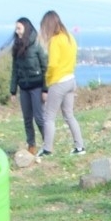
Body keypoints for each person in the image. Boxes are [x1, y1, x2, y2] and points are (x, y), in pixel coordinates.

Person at [37, 10, 84, 157]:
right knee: (69, 115)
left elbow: (52, 65)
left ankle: (47, 149)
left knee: (49, 117)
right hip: (71, 80)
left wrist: (48, 80)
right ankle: (80, 147)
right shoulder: (69, 37)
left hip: (58, 82)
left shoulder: (56, 40)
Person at [10, 17, 47, 154]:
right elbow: (14, 69)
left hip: (37, 86)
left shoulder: (37, 44)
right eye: (16, 28)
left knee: (39, 117)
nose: (17, 31)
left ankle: (47, 144)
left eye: (19, 28)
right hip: (23, 88)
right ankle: (31, 145)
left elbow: (45, 68)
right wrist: (13, 90)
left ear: (26, 28)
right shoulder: (17, 46)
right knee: (27, 119)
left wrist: (45, 89)